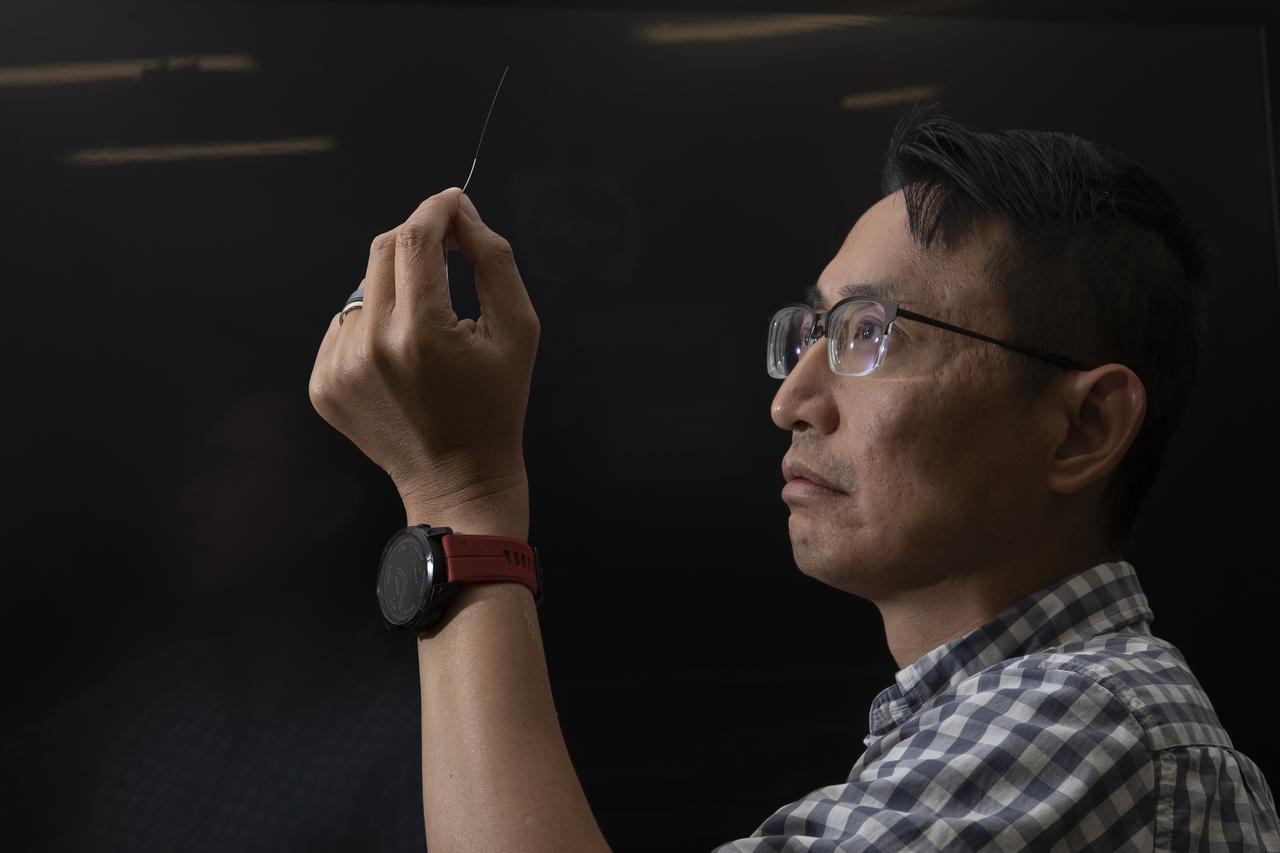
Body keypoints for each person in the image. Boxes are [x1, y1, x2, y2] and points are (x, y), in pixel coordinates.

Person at [308, 101, 1280, 851]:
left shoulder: (1090, 727)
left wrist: (462, 498)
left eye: (869, 333)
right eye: (812, 330)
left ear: (1082, 427)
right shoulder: (987, 727)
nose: (792, 400)